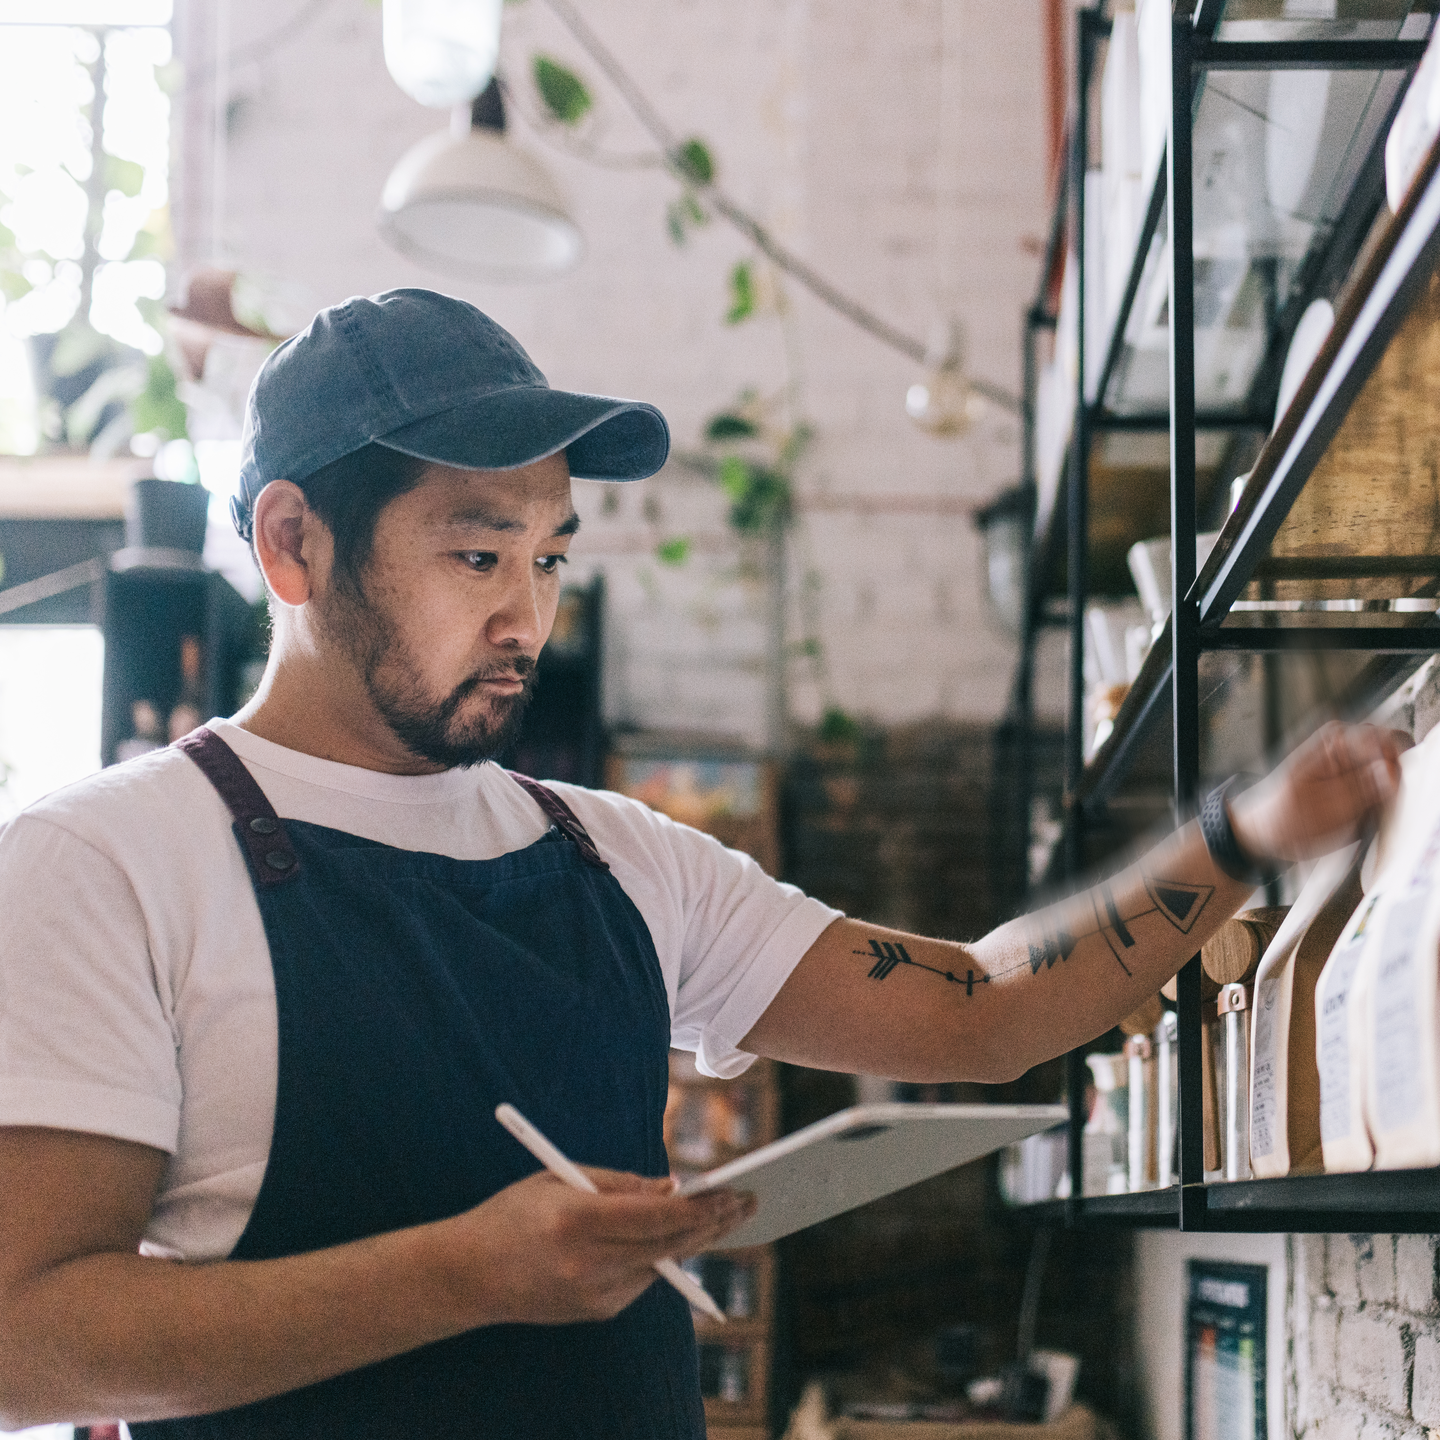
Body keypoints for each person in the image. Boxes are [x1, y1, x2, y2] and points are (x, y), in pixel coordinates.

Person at [0, 290, 1402, 1438]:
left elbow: (975, 1011)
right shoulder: (107, 864)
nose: (526, 618)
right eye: (477, 554)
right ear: (292, 546)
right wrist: (463, 1276)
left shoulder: (614, 858)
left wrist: (1239, 839)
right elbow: (24, 1343)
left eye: (549, 558)